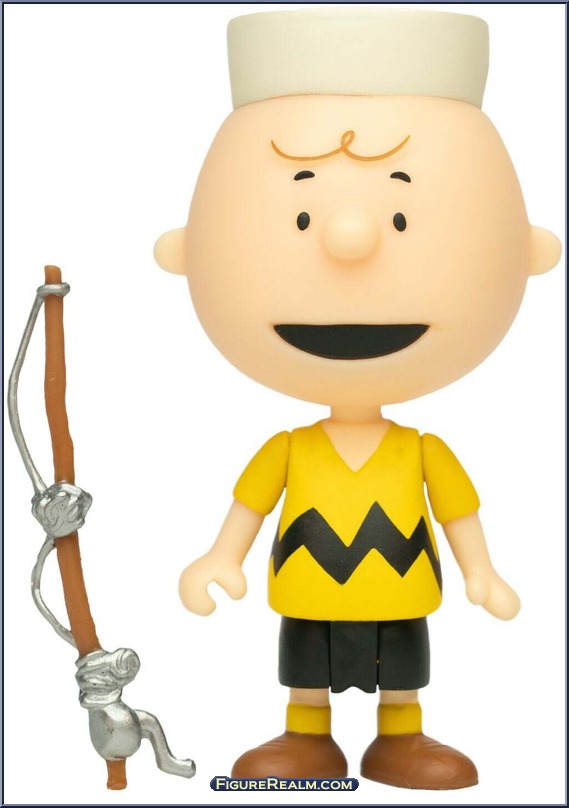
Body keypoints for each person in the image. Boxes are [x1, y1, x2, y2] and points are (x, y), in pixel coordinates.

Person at [154, 8, 560, 789]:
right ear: (186, 250)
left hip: (398, 582)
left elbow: (457, 513)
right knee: (306, 657)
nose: (348, 239)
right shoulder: (288, 451)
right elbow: (249, 507)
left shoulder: (420, 452)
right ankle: (306, 736)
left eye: (400, 216)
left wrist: (480, 571)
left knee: (399, 659)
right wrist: (218, 557)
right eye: (301, 216)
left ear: (527, 250)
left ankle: (398, 737)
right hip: (310, 583)